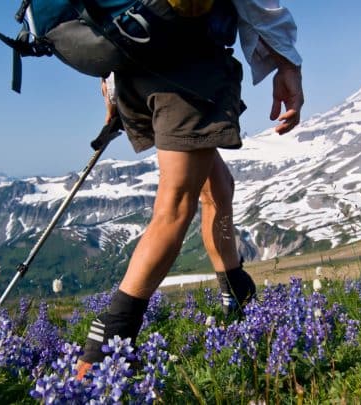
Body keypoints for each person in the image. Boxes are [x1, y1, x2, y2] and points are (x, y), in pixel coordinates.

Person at [77, 0, 303, 378]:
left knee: (219, 188)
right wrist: (288, 64)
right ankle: (107, 345)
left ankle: (237, 292)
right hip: (188, 73)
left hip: (134, 66)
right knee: (175, 208)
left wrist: (111, 81)